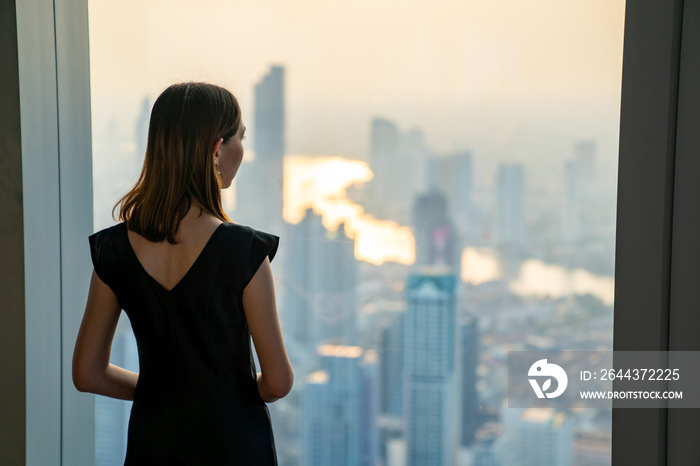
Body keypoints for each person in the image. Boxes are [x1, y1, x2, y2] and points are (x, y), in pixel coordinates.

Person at [72, 82, 293, 465]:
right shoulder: (244, 251)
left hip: (152, 445)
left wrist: (166, 391)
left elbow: (88, 374)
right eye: (240, 137)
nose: (243, 149)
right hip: (233, 446)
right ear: (216, 149)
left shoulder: (113, 251)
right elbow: (277, 381)